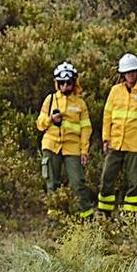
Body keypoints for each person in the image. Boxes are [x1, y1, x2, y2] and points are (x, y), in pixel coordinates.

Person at [98, 53, 137, 214]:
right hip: (115, 142)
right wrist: (106, 139)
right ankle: (104, 213)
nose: (130, 75)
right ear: (122, 74)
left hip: (136, 145)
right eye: (127, 72)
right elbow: (107, 116)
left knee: (134, 182)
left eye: (133, 71)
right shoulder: (115, 91)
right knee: (107, 178)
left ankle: (130, 217)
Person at [37, 61, 95, 218]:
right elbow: (40, 124)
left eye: (68, 83)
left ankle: (87, 218)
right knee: (52, 185)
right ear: (57, 83)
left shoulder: (80, 104)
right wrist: (50, 119)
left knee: (78, 184)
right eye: (61, 83)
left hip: (73, 147)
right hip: (51, 145)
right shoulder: (50, 100)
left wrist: (84, 151)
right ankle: (54, 219)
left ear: (74, 83)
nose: (65, 87)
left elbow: (86, 129)